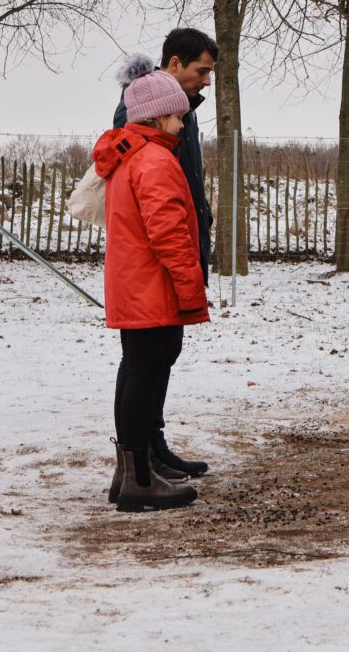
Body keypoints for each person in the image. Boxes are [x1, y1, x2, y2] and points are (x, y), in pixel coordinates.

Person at [94, 69, 209, 511]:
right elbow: (171, 235)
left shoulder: (130, 156)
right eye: (178, 116)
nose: (183, 124)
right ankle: (140, 480)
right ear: (159, 117)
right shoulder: (156, 161)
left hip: (134, 283)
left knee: (138, 371)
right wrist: (190, 289)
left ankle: (130, 474)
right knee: (146, 373)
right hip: (153, 286)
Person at [112, 29, 217, 481]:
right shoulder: (147, 120)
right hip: (156, 265)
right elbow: (155, 206)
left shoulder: (173, 115)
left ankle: (149, 450)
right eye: (202, 70)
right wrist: (185, 270)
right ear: (174, 64)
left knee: (157, 357)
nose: (207, 81)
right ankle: (139, 460)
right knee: (143, 362)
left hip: (170, 256)